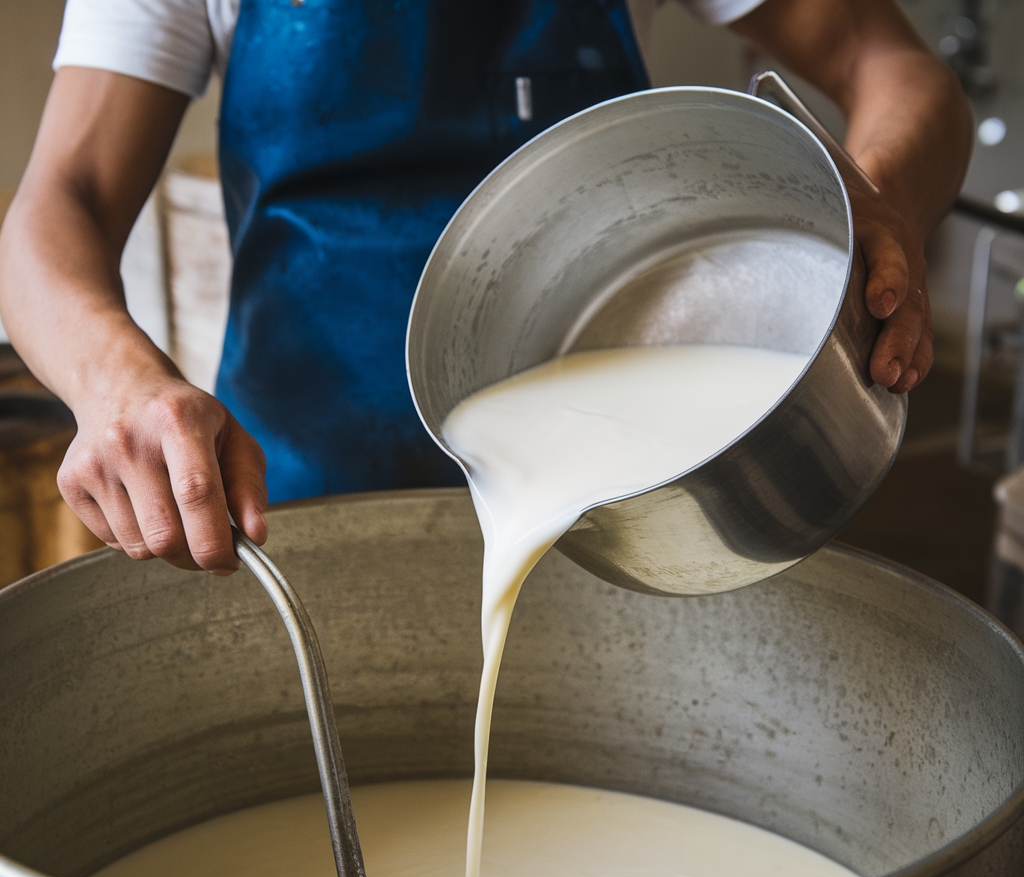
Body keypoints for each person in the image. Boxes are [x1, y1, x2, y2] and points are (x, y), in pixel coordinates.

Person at [0, 0, 972, 577]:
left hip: (623, 493)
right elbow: (61, 200)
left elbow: (890, 66)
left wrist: (879, 200)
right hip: (300, 503)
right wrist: (114, 382)